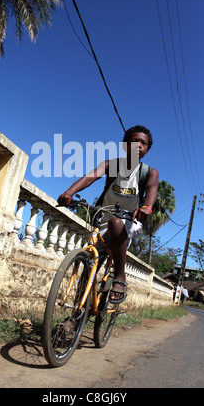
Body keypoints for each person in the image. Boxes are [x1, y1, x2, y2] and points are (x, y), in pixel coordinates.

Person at [57, 125, 159, 304]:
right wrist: (69, 192)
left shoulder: (149, 172)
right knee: (91, 265)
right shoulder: (111, 165)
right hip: (104, 217)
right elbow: (91, 177)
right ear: (125, 145)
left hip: (130, 220)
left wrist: (147, 208)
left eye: (143, 143)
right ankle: (75, 316)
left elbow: (152, 189)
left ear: (147, 150)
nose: (139, 145)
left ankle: (120, 275)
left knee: (116, 222)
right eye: (134, 141)